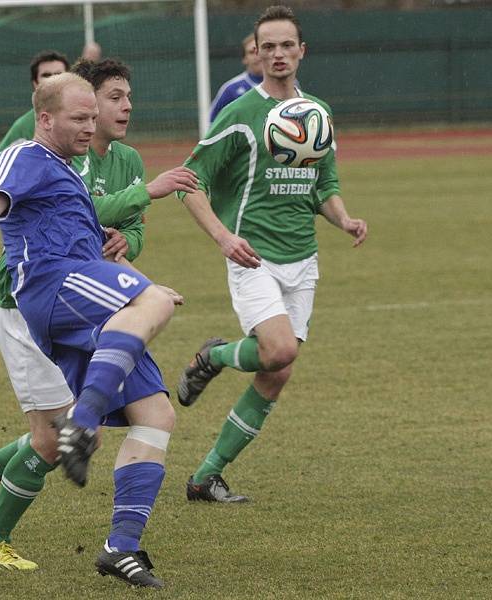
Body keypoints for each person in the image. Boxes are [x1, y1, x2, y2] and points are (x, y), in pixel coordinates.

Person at [0, 73, 197, 588]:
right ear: (45, 118)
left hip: (83, 294)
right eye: (81, 118)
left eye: (92, 117)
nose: (91, 125)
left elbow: (64, 220)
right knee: (151, 300)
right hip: (53, 289)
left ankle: (120, 548)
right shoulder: (25, 154)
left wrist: (102, 237)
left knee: (157, 415)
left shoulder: (69, 168)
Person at [176, 5, 368, 503]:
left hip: (303, 257)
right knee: (279, 350)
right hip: (252, 256)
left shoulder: (318, 112)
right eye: (269, 47)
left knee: (276, 371)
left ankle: (205, 476)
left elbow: (323, 181)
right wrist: (223, 238)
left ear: (301, 51)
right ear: (256, 54)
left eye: (287, 45)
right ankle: (213, 355)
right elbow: (188, 182)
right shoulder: (241, 114)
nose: (278, 54)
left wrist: (343, 218)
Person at [0, 50, 70, 152]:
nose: (53, 79)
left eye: (58, 74)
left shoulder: (86, 116)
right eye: (46, 75)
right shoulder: (23, 127)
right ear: (35, 83)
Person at [209, 34, 263, 123]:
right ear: (244, 58)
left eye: (259, 51)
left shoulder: (288, 85)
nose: (256, 56)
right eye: (251, 52)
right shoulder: (231, 89)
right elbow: (213, 121)